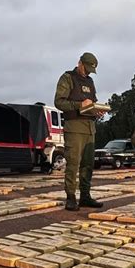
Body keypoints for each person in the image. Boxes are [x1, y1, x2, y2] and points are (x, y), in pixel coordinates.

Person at [54, 52, 107, 211]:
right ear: (80, 63)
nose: (88, 72)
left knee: (88, 165)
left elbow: (93, 101)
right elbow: (59, 102)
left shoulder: (90, 82)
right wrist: (79, 105)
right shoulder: (67, 78)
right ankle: (71, 197)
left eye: (91, 70)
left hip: (90, 128)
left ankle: (85, 196)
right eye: (87, 68)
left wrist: (97, 109)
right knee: (73, 163)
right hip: (75, 127)